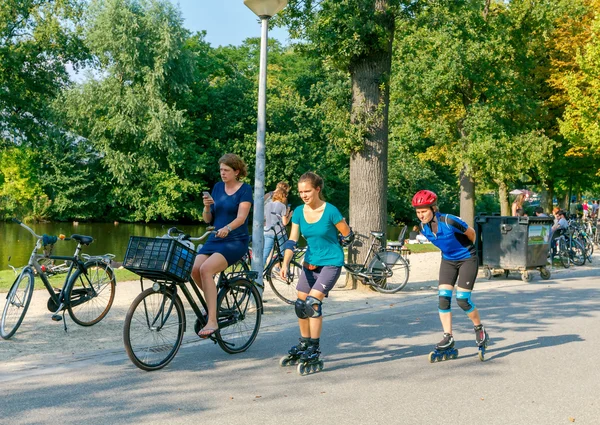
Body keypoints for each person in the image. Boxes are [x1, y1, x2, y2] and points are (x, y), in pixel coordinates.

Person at [279, 172, 352, 373]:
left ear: (317, 189)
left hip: (331, 262)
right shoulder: (299, 212)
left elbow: (348, 234)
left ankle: (314, 348)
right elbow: (292, 240)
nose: (303, 195)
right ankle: (304, 343)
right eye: (301, 192)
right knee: (300, 304)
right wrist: (285, 263)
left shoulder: (331, 211)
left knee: (313, 303)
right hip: (310, 262)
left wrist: (338, 243)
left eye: (307, 191)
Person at [411, 189, 489, 359]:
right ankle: (448, 337)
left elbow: (472, 234)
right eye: (418, 212)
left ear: (433, 208)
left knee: (462, 300)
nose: (421, 215)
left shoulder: (450, 221)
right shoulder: (424, 228)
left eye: (424, 211)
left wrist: (468, 252)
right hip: (448, 261)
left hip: (467, 258)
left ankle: (479, 328)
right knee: (443, 297)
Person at [192, 154, 253, 338]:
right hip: (215, 238)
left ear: (236, 171)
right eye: (221, 170)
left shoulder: (245, 190)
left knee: (206, 270)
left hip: (235, 240)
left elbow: (241, 218)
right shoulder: (217, 188)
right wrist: (207, 207)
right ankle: (214, 304)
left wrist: (227, 228)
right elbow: (208, 219)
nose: (222, 173)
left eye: (226, 170)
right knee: (194, 268)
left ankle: (212, 320)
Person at [263, 187, 292, 271]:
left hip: (267, 231)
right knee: (284, 252)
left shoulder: (267, 205)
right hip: (279, 232)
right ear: (283, 196)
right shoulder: (282, 206)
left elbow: (264, 218)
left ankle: (259, 272)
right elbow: (285, 222)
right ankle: (285, 270)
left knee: (265, 254)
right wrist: (289, 215)